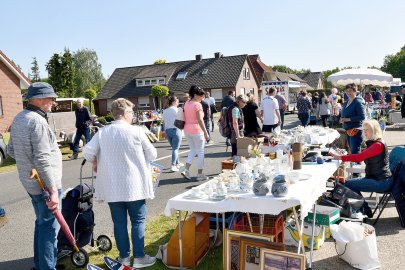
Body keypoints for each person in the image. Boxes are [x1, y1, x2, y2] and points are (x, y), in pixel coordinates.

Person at [83, 98, 157, 268]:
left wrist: (95, 160)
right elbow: (152, 154)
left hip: (113, 186)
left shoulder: (102, 132)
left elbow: (87, 152)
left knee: (119, 223)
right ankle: (139, 257)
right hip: (135, 185)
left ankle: (124, 258)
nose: (132, 115)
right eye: (131, 112)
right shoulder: (137, 131)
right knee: (138, 221)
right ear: (125, 114)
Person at [7, 82, 62, 270]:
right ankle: (47, 267)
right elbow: (42, 159)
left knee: (41, 223)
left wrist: (26, 161)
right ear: (39, 99)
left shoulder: (19, 117)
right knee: (48, 228)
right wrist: (53, 190)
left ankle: (41, 265)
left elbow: (11, 150)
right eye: (50, 98)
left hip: (30, 182)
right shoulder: (37, 121)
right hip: (45, 184)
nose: (53, 102)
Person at [329, 119, 392, 218]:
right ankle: (364, 209)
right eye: (364, 129)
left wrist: (340, 157)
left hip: (381, 181)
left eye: (367, 129)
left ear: (374, 130)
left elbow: (359, 157)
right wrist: (343, 154)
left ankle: (365, 210)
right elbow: (362, 155)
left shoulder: (377, 145)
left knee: (348, 184)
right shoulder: (375, 142)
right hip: (377, 178)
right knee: (349, 183)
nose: (365, 132)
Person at [181, 85, 210, 181]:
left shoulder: (186, 103)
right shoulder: (197, 105)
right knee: (200, 152)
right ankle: (200, 174)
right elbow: (200, 120)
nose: (202, 98)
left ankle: (186, 170)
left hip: (187, 129)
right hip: (197, 130)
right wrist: (206, 133)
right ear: (195, 95)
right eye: (201, 96)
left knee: (192, 150)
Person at [340, 83, 366, 154]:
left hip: (356, 130)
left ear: (355, 91)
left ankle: (357, 165)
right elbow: (344, 114)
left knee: (355, 152)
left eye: (350, 91)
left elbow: (362, 116)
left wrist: (348, 119)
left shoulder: (358, 102)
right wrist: (341, 119)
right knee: (352, 151)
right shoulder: (346, 102)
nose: (348, 93)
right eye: (347, 91)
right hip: (348, 130)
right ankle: (354, 164)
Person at [162, 96, 183, 172]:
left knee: (174, 148)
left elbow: (164, 123)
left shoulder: (165, 111)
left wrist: (164, 132)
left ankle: (177, 162)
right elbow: (182, 120)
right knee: (175, 149)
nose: (178, 102)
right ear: (173, 102)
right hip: (176, 130)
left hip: (168, 131)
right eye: (177, 101)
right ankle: (173, 165)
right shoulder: (177, 110)